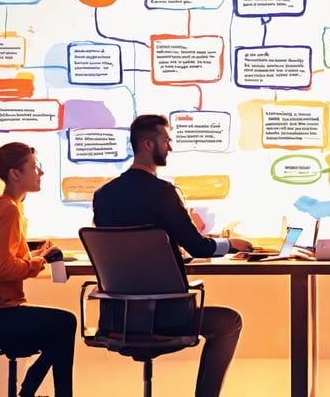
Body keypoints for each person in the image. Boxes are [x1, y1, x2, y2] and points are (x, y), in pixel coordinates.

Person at [92, 114, 250, 397]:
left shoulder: (104, 195)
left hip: (116, 321)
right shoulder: (163, 192)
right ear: (147, 143)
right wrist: (231, 244)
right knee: (230, 321)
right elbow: (198, 248)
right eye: (166, 140)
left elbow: (129, 251)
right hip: (163, 319)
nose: (170, 148)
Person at [0, 142, 77, 397]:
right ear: (15, 174)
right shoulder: (9, 210)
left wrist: (34, 255)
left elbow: (2, 258)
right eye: (35, 167)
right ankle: (38, 391)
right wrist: (40, 262)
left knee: (59, 330)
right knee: (65, 324)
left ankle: (30, 390)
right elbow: (4, 270)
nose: (41, 173)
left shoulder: (4, 206)